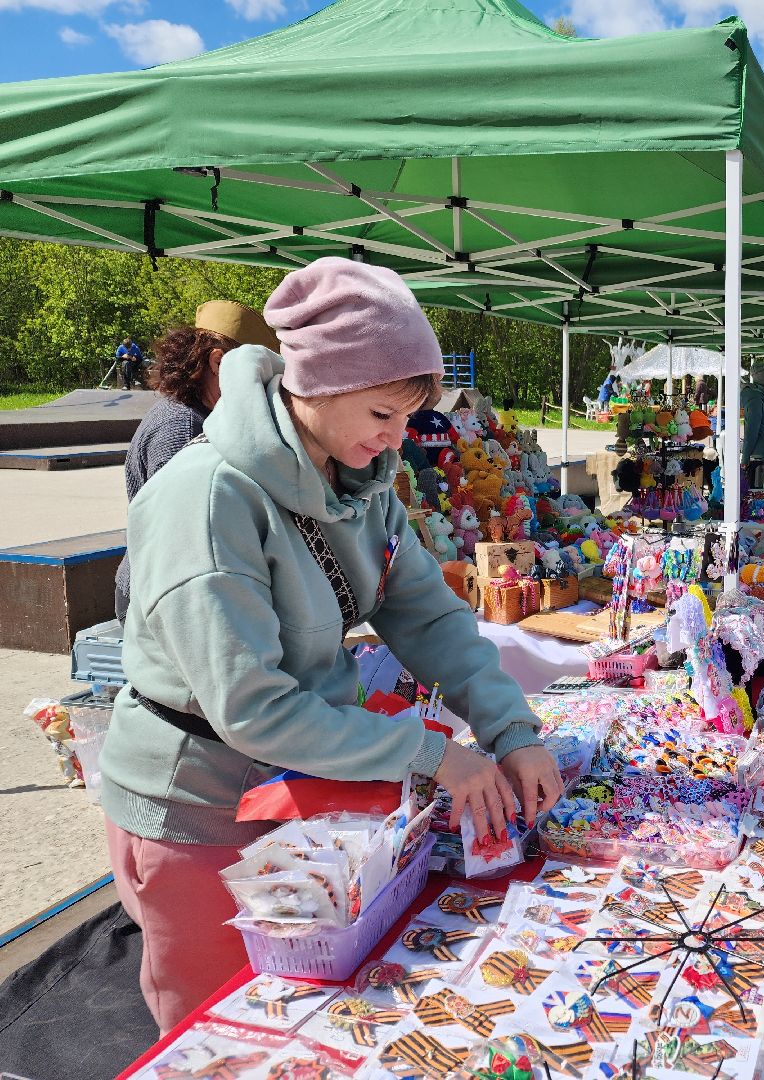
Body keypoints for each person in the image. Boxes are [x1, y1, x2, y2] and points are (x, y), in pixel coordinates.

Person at [101, 258, 563, 1032]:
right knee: (221, 1028)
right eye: (383, 412)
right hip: (198, 809)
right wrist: (429, 752)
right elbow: (252, 705)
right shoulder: (208, 497)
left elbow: (430, 617)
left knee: (305, 1013)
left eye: (408, 418)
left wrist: (511, 730)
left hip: (298, 786)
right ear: (312, 383)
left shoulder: (362, 482)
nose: (398, 437)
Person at [114, 301, 280, 621]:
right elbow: (183, 539)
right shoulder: (183, 426)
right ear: (217, 362)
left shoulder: (197, 413)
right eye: (258, 374)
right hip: (158, 599)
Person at [740, 362, 764, 484]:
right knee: (759, 491)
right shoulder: (755, 399)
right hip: (758, 456)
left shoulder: (759, 396)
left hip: (762, 452)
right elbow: (751, 430)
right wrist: (745, 457)